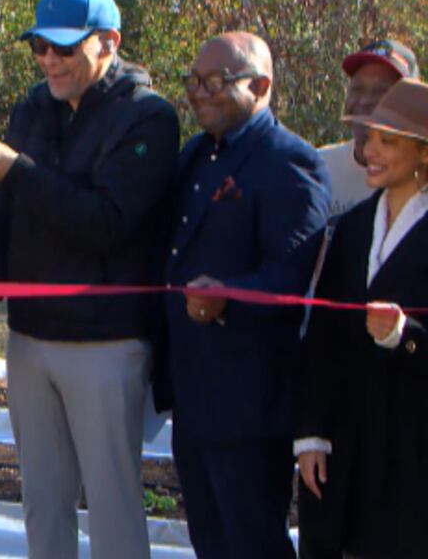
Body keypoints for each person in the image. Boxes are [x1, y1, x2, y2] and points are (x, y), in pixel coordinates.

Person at [0, 0, 179, 559]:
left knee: (112, 507)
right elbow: (3, 218)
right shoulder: (33, 107)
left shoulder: (148, 118)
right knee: (43, 506)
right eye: (39, 47)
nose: (48, 60)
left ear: (109, 43)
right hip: (30, 338)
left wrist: (17, 170)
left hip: (106, 342)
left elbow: (107, 221)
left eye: (63, 48)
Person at [164, 32, 330, 559]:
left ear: (260, 86)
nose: (198, 93)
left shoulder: (290, 163)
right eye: (192, 82)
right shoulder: (195, 156)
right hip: (193, 393)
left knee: (252, 544)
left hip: (251, 403)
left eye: (214, 83)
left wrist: (229, 295)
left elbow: (291, 278)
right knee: (209, 541)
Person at [295, 79, 428, 558]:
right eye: (369, 137)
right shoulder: (350, 229)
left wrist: (405, 336)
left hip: (412, 453)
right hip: (342, 452)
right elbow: (322, 337)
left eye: (387, 141)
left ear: (424, 153)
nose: (370, 150)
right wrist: (310, 433)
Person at [319, 40, 418, 217]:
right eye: (358, 89)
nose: (364, 101)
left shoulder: (419, 186)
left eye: (382, 92)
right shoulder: (319, 168)